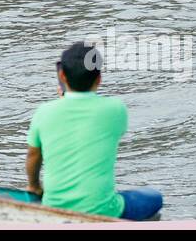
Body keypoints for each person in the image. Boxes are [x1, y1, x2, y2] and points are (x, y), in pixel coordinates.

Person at [26, 42, 163, 221]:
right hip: (104, 211)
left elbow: (33, 156)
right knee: (154, 197)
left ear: (62, 76)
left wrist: (35, 187)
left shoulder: (44, 112)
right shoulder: (116, 109)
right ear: (99, 78)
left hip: (54, 207)